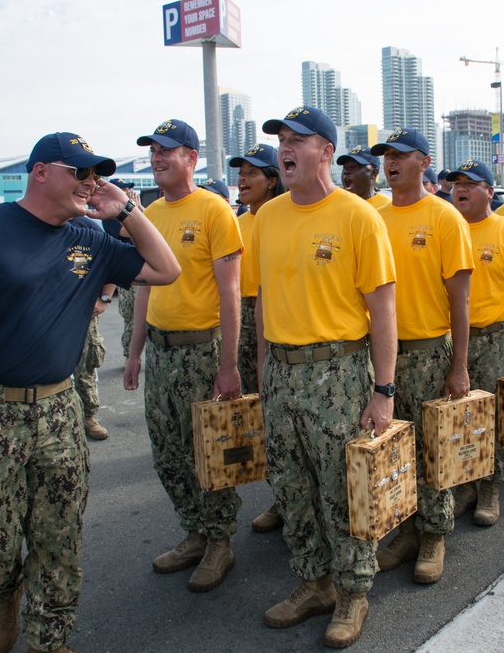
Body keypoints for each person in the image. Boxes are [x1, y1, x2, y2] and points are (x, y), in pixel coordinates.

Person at [0, 131, 180, 653]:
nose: (91, 182)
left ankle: (48, 640)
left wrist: (127, 212)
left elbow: (166, 269)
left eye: (96, 174)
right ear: (41, 172)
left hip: (57, 410)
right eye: (80, 172)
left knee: (59, 536)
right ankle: (4, 588)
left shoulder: (89, 239)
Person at [251, 106, 396, 648]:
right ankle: (312, 581)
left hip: (337, 371)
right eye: (281, 140)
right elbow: (265, 298)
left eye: (297, 140)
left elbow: (383, 308)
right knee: (291, 485)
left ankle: (354, 591)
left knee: (342, 487)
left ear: (326, 152)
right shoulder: (267, 217)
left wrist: (383, 391)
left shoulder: (358, 217)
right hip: (282, 374)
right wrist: (264, 371)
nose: (285, 149)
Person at [124, 119, 244, 594]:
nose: (157, 158)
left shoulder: (214, 210)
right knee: (169, 452)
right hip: (161, 351)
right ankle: (193, 530)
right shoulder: (149, 213)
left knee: (208, 453)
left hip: (203, 350)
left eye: (167, 151)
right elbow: (143, 290)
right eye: (152, 150)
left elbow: (231, 294)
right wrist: (134, 352)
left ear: (191, 158)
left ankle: (220, 542)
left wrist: (230, 365)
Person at [370, 127, 473, 584]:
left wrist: (460, 367)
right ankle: (407, 529)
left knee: (432, 448)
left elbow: (460, 302)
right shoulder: (373, 217)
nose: (390, 163)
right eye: (386, 155)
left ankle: (433, 534)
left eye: (400, 155)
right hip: (379, 357)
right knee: (394, 451)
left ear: (424, 162)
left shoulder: (444, 218)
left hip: (429, 352)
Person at [448, 159, 504, 526]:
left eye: (471, 183)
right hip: (451, 340)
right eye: (456, 183)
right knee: (459, 418)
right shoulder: (445, 227)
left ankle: (490, 485)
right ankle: (465, 481)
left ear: (490, 190)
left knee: (496, 414)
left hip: (496, 338)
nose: (461, 190)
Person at [228, 142, 286, 534]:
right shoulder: (236, 222)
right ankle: (280, 496)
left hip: (275, 317)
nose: (242, 179)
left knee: (281, 417)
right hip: (242, 320)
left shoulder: (283, 218)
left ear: (272, 180)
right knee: (258, 417)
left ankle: (288, 500)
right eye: (240, 172)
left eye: (252, 172)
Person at [68, 216, 116, 442]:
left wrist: (104, 298)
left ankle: (88, 417)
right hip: (46, 315)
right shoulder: (35, 224)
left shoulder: (87, 228)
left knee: (85, 368)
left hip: (83, 315)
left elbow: (112, 263)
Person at [104, 179, 141, 359]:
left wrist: (137, 209)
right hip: (126, 272)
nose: (128, 193)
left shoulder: (133, 212)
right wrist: (131, 209)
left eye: (129, 189)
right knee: (131, 317)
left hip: (142, 268)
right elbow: (128, 232)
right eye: (124, 190)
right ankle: (129, 355)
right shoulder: (110, 216)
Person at [336, 144, 390, 210]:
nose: (346, 172)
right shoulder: (336, 207)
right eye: (345, 167)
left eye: (354, 167)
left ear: (373, 173)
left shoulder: (386, 206)